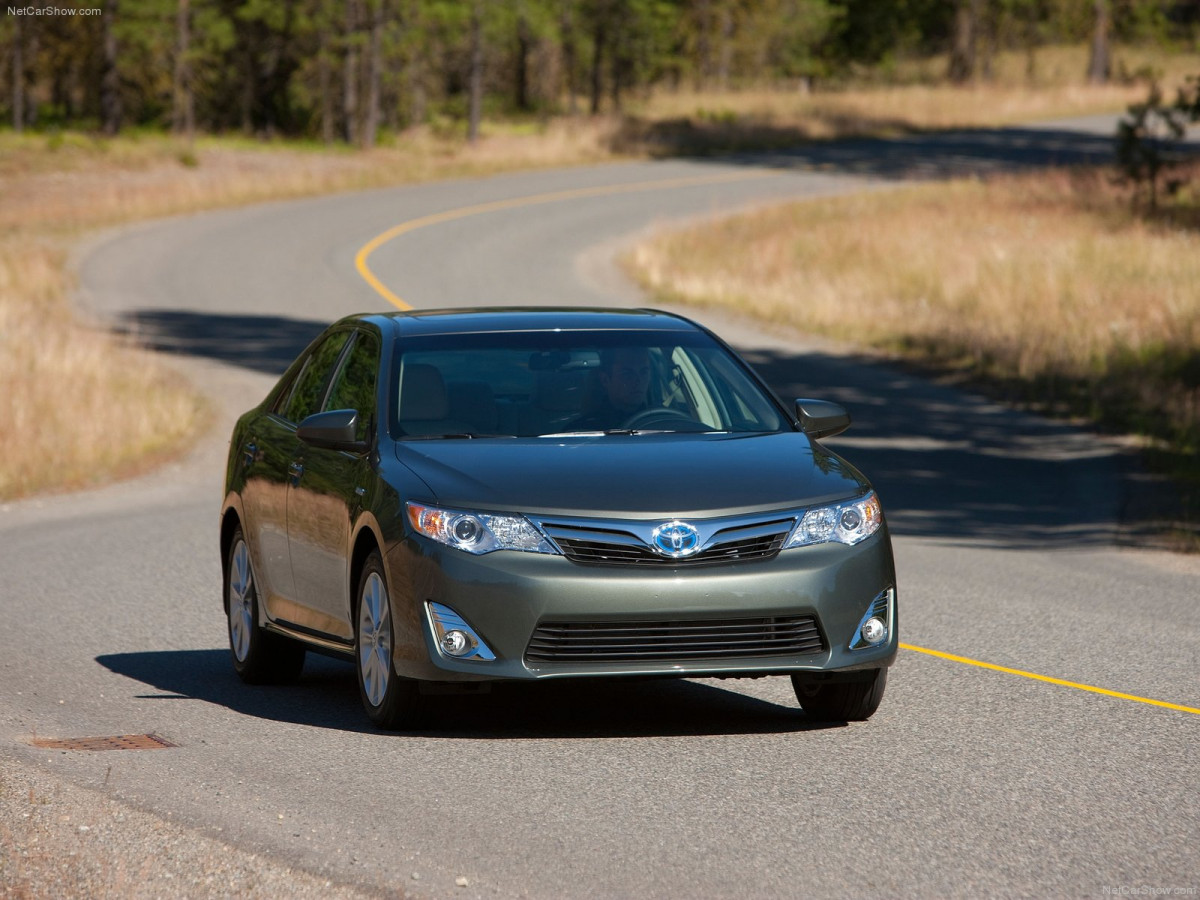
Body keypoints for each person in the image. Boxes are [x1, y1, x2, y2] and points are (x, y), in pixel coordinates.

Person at [573, 346, 654, 430]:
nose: (638, 381)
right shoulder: (584, 431)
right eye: (627, 374)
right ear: (605, 380)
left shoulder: (662, 419)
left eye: (644, 372)